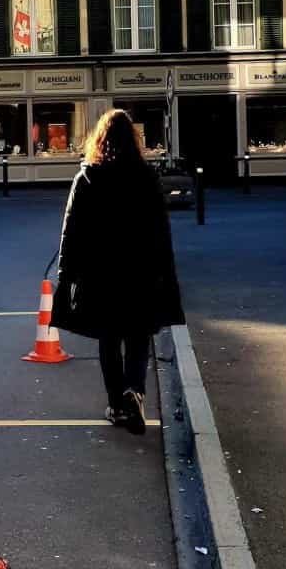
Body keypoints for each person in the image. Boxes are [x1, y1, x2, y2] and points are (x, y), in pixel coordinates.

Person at [52, 108, 184, 434]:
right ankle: (134, 391)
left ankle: (115, 404)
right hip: (140, 273)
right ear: (134, 140)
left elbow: (72, 232)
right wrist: (167, 275)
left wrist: (65, 277)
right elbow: (161, 231)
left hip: (99, 276)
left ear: (100, 139)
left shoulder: (87, 178)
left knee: (108, 340)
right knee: (138, 337)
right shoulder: (147, 177)